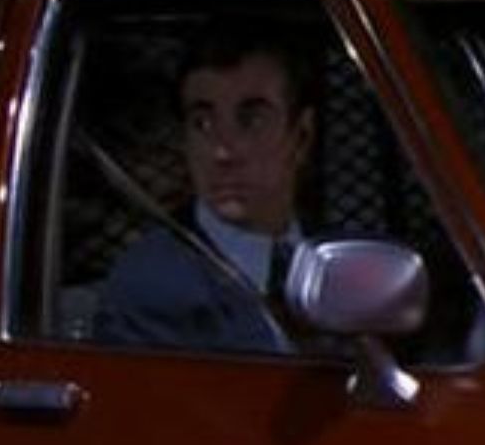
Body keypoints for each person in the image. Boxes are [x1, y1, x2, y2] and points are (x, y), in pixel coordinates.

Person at [91, 19, 318, 353]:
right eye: (203, 123)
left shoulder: (335, 257)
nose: (222, 153)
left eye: (251, 120)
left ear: (301, 137)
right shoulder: (152, 284)